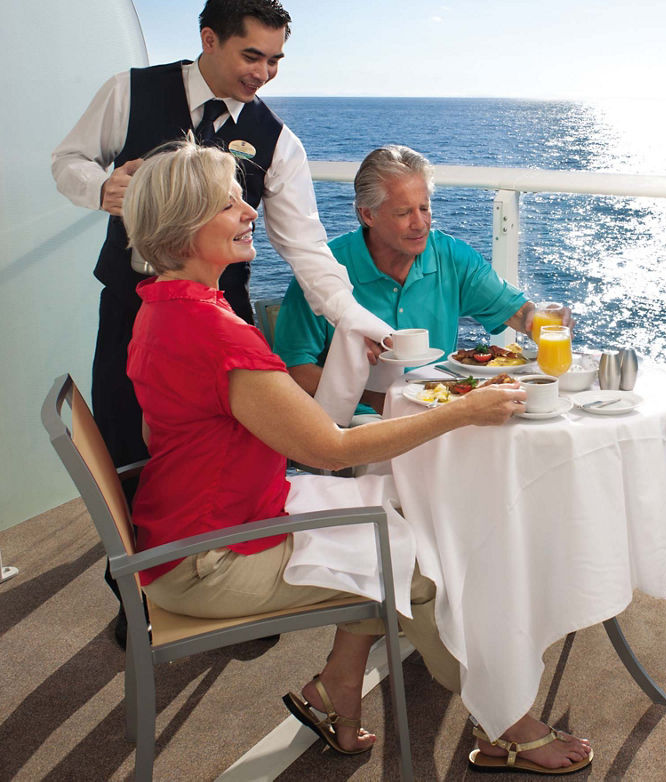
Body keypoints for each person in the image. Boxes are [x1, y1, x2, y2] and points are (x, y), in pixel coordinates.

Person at [121, 140, 592, 775]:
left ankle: (336, 689)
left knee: (398, 517)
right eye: (230, 205)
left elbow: (161, 437)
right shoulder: (216, 332)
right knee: (428, 567)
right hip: (210, 560)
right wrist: (462, 410)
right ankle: (507, 723)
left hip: (197, 527)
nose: (249, 212)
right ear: (184, 225)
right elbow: (329, 446)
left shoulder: (162, 310)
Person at [51, 0, 388, 646]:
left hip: (218, 310)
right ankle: (139, 598)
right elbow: (67, 162)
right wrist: (101, 188)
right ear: (210, 39)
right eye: (251, 55)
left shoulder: (275, 140)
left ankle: (238, 579)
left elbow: (306, 246)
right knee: (131, 449)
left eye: (275, 61)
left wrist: (354, 320)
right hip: (132, 307)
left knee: (235, 451)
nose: (262, 74)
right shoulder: (130, 92)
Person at [271, 145, 570, 412]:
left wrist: (535, 319)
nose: (420, 224)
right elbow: (294, 371)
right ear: (368, 215)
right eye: (404, 213)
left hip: (442, 416)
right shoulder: (321, 270)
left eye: (425, 208)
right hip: (360, 426)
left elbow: (517, 312)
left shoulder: (451, 256)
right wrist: (378, 401)